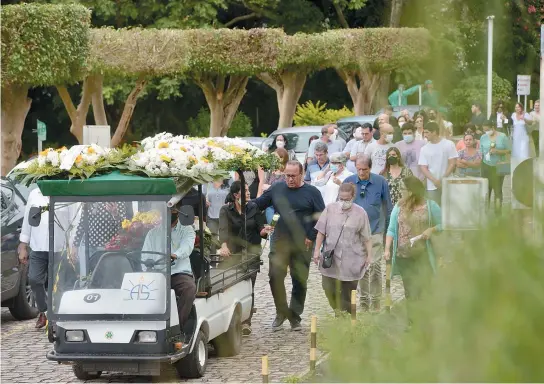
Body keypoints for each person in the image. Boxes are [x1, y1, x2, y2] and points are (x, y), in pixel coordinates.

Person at [254, 161, 325, 331]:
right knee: (275, 276)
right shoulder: (277, 188)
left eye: (293, 175)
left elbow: (321, 217)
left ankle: (295, 316)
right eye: (287, 175)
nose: (290, 179)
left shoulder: (312, 192)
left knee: (299, 281)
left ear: (301, 174)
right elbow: (257, 205)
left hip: (303, 243)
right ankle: (281, 312)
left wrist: (311, 235)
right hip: (280, 242)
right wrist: (261, 226)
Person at [384, 176, 442, 325]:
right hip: (404, 256)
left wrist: (432, 229)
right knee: (409, 291)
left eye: (403, 189)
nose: (400, 192)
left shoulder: (430, 206)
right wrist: (387, 249)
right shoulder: (399, 207)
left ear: (411, 191)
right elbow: (391, 229)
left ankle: (425, 321)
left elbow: (446, 223)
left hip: (423, 255)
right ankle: (412, 322)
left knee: (423, 289)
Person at [219, 181, 272, 335]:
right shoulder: (226, 210)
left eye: (249, 190)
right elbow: (223, 229)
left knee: (249, 286)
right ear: (236, 195)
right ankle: (232, 319)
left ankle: (246, 322)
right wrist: (224, 246)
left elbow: (260, 227)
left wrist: (265, 230)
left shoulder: (253, 207)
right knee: (232, 285)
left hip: (251, 254)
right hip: (233, 255)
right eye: (245, 191)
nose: (249, 193)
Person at [313, 183, 372, 315]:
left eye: (347, 199)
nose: (343, 202)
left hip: (353, 259)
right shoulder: (330, 209)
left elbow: (367, 237)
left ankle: (347, 321)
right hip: (331, 258)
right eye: (341, 199)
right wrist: (317, 251)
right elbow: (321, 232)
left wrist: (369, 256)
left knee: (347, 294)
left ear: (353, 197)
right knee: (327, 287)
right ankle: (338, 310)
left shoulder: (360, 212)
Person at [343, 156, 392, 311]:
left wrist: (388, 231)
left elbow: (388, 207)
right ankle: (364, 301)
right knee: (362, 267)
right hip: (356, 232)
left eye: (365, 169)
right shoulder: (349, 181)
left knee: (375, 265)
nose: (362, 172)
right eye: (359, 169)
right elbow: (343, 205)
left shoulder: (380, 182)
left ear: (370, 168)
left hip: (376, 229)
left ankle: (376, 300)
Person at [18, 188, 69, 328]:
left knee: (58, 284)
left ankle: (57, 317)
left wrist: (73, 244)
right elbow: (28, 221)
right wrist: (23, 245)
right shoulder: (35, 193)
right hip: (38, 246)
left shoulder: (65, 189)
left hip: (60, 247)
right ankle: (44, 311)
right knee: (34, 279)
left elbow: (73, 221)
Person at [142, 203, 196, 331]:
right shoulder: (152, 233)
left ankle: (177, 328)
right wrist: (146, 271)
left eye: (172, 210)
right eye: (166, 210)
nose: (169, 212)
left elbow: (187, 247)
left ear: (178, 212)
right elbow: (144, 256)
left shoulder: (187, 230)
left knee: (189, 288)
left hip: (178, 273)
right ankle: (145, 327)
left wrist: (175, 255)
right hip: (157, 274)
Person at [418, 122, 458, 206]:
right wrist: (434, 180)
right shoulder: (424, 149)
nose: (425, 135)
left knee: (449, 208)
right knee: (434, 209)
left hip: (448, 182)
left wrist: (443, 178)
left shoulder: (448, 144)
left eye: (427, 132)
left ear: (434, 132)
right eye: (424, 132)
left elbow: (452, 163)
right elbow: (423, 167)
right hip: (432, 185)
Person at [480, 120, 511, 214]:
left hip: (499, 166)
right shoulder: (483, 137)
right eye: (484, 130)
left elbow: (509, 150)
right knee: (486, 189)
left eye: (488, 130)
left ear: (493, 128)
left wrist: (497, 151)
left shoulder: (503, 137)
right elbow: (481, 151)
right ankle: (485, 212)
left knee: (497, 189)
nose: (486, 132)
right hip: (486, 165)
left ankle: (498, 213)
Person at [258, 148, 289, 223]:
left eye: (276, 157)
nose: (274, 160)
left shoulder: (287, 172)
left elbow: (286, 188)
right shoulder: (271, 171)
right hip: (270, 204)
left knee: (280, 227)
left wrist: (270, 187)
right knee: (271, 226)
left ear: (282, 158)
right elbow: (264, 186)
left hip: (282, 205)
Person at [205, 178, 230, 249]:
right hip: (211, 216)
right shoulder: (208, 184)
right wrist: (205, 201)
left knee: (225, 239)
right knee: (212, 238)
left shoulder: (227, 185)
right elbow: (202, 197)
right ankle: (212, 257)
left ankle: (228, 258)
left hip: (224, 217)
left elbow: (232, 198)